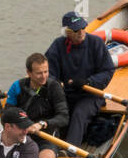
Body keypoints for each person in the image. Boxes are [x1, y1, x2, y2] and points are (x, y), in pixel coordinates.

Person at [44, 10, 115, 146]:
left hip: (91, 94)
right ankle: (48, 147)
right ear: (67, 32)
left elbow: (108, 70)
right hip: (65, 95)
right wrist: (56, 83)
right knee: (54, 111)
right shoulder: (58, 45)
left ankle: (71, 152)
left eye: (83, 28)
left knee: (79, 113)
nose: (81, 32)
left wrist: (89, 82)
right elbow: (47, 73)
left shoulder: (96, 43)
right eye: (76, 30)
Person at [6, 52, 68, 158]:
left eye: (46, 71)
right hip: (22, 135)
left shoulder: (54, 87)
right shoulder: (17, 87)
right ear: (29, 73)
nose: (44, 76)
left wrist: (42, 124)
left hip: (46, 136)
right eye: (39, 73)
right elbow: (7, 114)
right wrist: (25, 125)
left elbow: (63, 117)